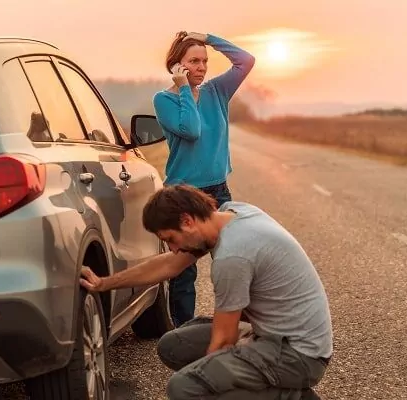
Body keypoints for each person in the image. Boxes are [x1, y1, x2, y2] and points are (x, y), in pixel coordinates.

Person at [80, 184, 333, 399]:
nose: (174, 248)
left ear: (187, 221)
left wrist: (207, 376)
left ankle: (292, 395)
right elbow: (169, 264)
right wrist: (104, 283)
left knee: (185, 387)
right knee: (173, 345)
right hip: (273, 334)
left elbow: (222, 342)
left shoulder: (233, 255)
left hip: (300, 354)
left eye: (170, 238)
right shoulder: (231, 214)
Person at [153, 31, 256, 327]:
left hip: (218, 191)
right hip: (183, 194)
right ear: (177, 66)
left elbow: (245, 61)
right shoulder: (164, 100)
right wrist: (184, 88)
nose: (201, 66)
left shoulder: (217, 91)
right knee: (184, 272)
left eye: (204, 61)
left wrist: (208, 38)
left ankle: (244, 328)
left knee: (234, 262)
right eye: (193, 61)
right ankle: (183, 332)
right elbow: (192, 129)